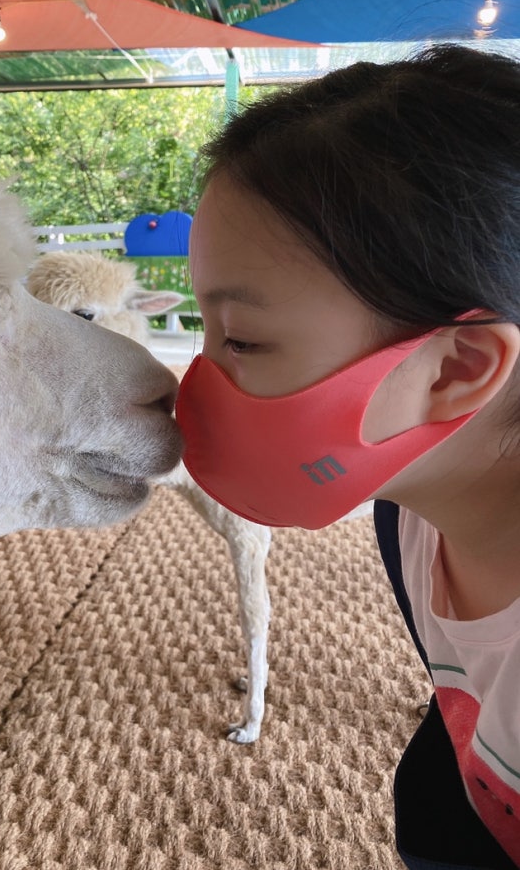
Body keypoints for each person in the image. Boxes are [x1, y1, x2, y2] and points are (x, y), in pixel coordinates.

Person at [174, 44, 520, 869]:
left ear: (458, 368)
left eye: (244, 339)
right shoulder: (409, 515)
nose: (194, 383)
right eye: (204, 330)